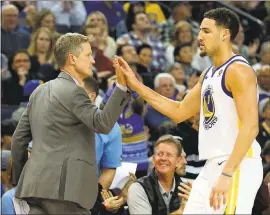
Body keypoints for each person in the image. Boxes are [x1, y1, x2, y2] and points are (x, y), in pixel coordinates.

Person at [116, 7, 263, 214]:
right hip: (212, 164)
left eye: (206, 31)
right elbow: (179, 111)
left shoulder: (238, 70)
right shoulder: (208, 74)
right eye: (200, 31)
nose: (199, 37)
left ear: (224, 34)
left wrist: (228, 173)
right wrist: (136, 84)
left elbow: (250, 126)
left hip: (237, 164)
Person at [11, 33, 131, 214]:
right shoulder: (75, 92)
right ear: (72, 59)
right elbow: (102, 124)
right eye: (88, 55)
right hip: (66, 191)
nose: (92, 61)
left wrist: (20, 180)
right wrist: (121, 87)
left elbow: (18, 139)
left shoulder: (39, 91)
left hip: (33, 189)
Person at [127, 135, 191, 215]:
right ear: (153, 159)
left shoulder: (185, 190)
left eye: (169, 155)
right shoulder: (138, 188)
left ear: (178, 162)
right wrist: (179, 212)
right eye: (160, 154)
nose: (163, 158)